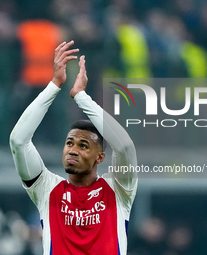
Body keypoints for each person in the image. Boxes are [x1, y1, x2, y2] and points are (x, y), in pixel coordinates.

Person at [10, 40, 138, 255]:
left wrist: (81, 97)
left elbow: (124, 147)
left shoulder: (118, 189)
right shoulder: (47, 190)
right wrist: (54, 85)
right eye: (69, 143)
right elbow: (18, 141)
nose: (73, 150)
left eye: (83, 145)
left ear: (100, 157)